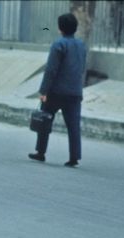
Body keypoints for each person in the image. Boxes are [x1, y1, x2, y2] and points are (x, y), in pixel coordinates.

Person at [29, 12, 87, 167]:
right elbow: (81, 68)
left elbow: (51, 70)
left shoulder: (58, 45)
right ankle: (74, 157)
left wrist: (43, 91)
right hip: (75, 92)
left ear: (60, 28)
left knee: (45, 119)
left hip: (56, 91)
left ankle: (41, 152)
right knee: (73, 125)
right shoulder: (81, 46)